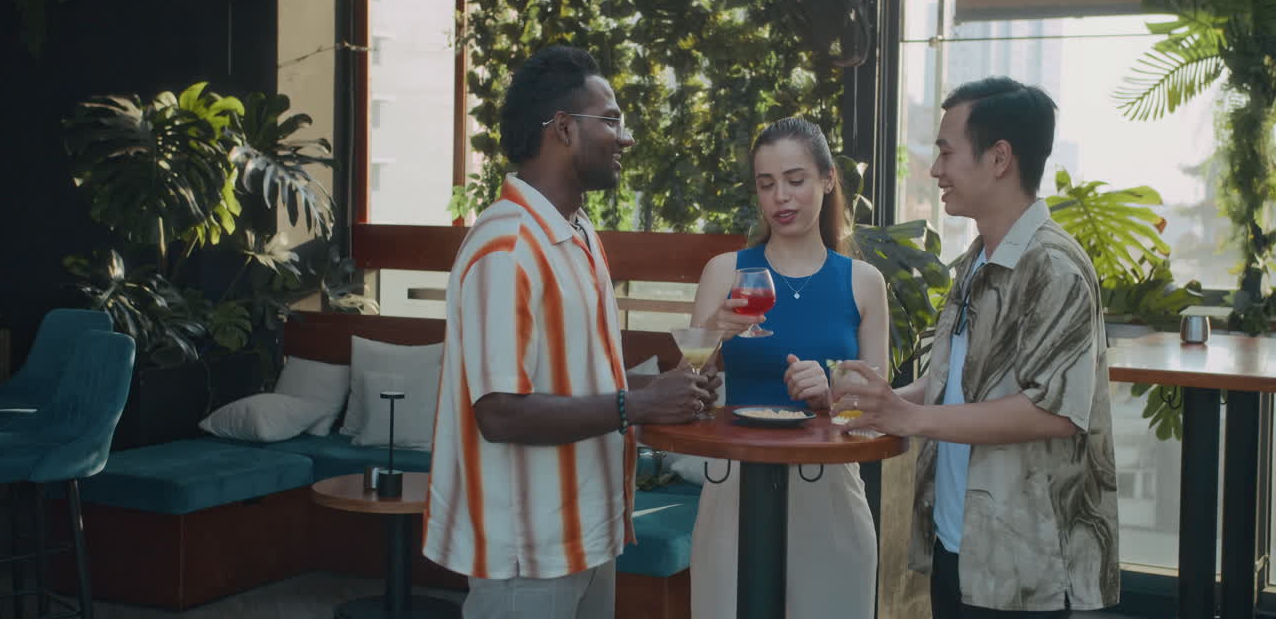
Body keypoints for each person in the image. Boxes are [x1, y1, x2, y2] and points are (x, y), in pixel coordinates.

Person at [423, 45, 719, 619]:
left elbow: (581, 374)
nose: (624, 138)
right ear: (562, 128)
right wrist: (638, 404)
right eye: (610, 120)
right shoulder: (506, 248)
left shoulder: (578, 232)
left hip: (586, 536)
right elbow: (500, 413)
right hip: (526, 555)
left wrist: (682, 383)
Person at [836, 77, 1119, 618]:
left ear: (999, 158)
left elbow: (1054, 412)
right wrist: (884, 401)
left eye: (945, 151)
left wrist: (911, 418)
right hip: (959, 547)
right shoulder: (977, 261)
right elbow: (953, 382)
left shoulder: (1054, 267)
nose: (935, 170)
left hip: (1026, 568)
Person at [688, 116, 889, 619]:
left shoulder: (864, 282)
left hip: (831, 496)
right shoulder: (725, 271)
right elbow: (688, 389)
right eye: (766, 184)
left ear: (826, 180)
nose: (781, 197)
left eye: (796, 180)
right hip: (734, 489)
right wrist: (715, 329)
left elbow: (877, 414)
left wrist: (830, 399)